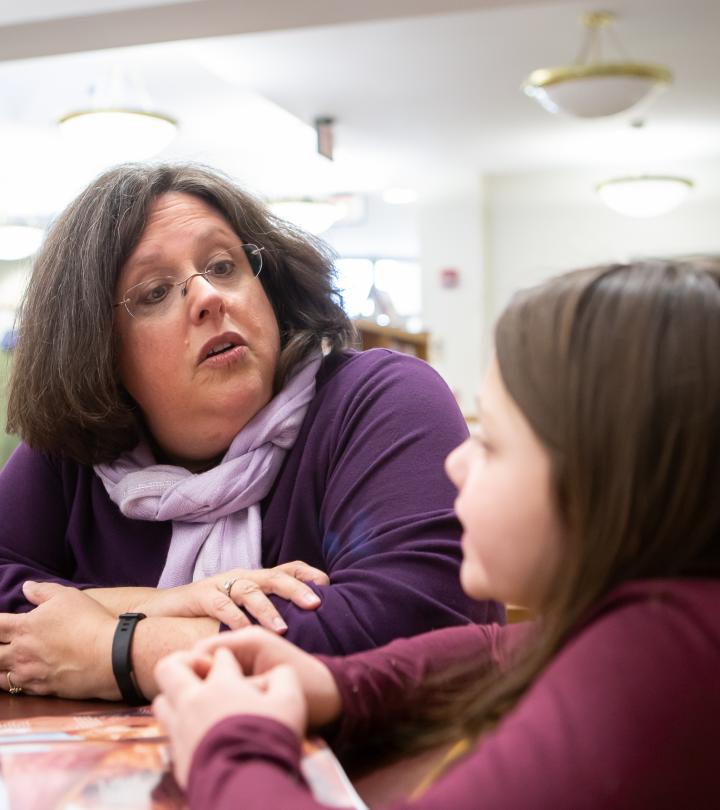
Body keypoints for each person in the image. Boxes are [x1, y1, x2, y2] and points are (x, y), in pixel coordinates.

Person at [154, 259, 720, 808]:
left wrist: (227, 742)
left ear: (607, 477)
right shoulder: (672, 621)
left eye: (492, 443)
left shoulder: (647, 678)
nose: (456, 465)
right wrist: (337, 683)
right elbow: (505, 650)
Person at [0, 163, 501, 702]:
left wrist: (119, 649)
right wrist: (173, 601)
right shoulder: (74, 453)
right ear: (97, 349)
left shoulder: (382, 399)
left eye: (222, 264)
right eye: (153, 293)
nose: (208, 298)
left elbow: (424, 628)